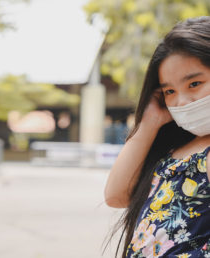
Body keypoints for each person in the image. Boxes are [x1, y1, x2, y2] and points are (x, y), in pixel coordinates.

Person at [104, 16, 210, 257]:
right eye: (169, 91)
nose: (181, 101)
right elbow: (116, 195)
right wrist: (149, 124)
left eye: (194, 83)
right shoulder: (178, 148)